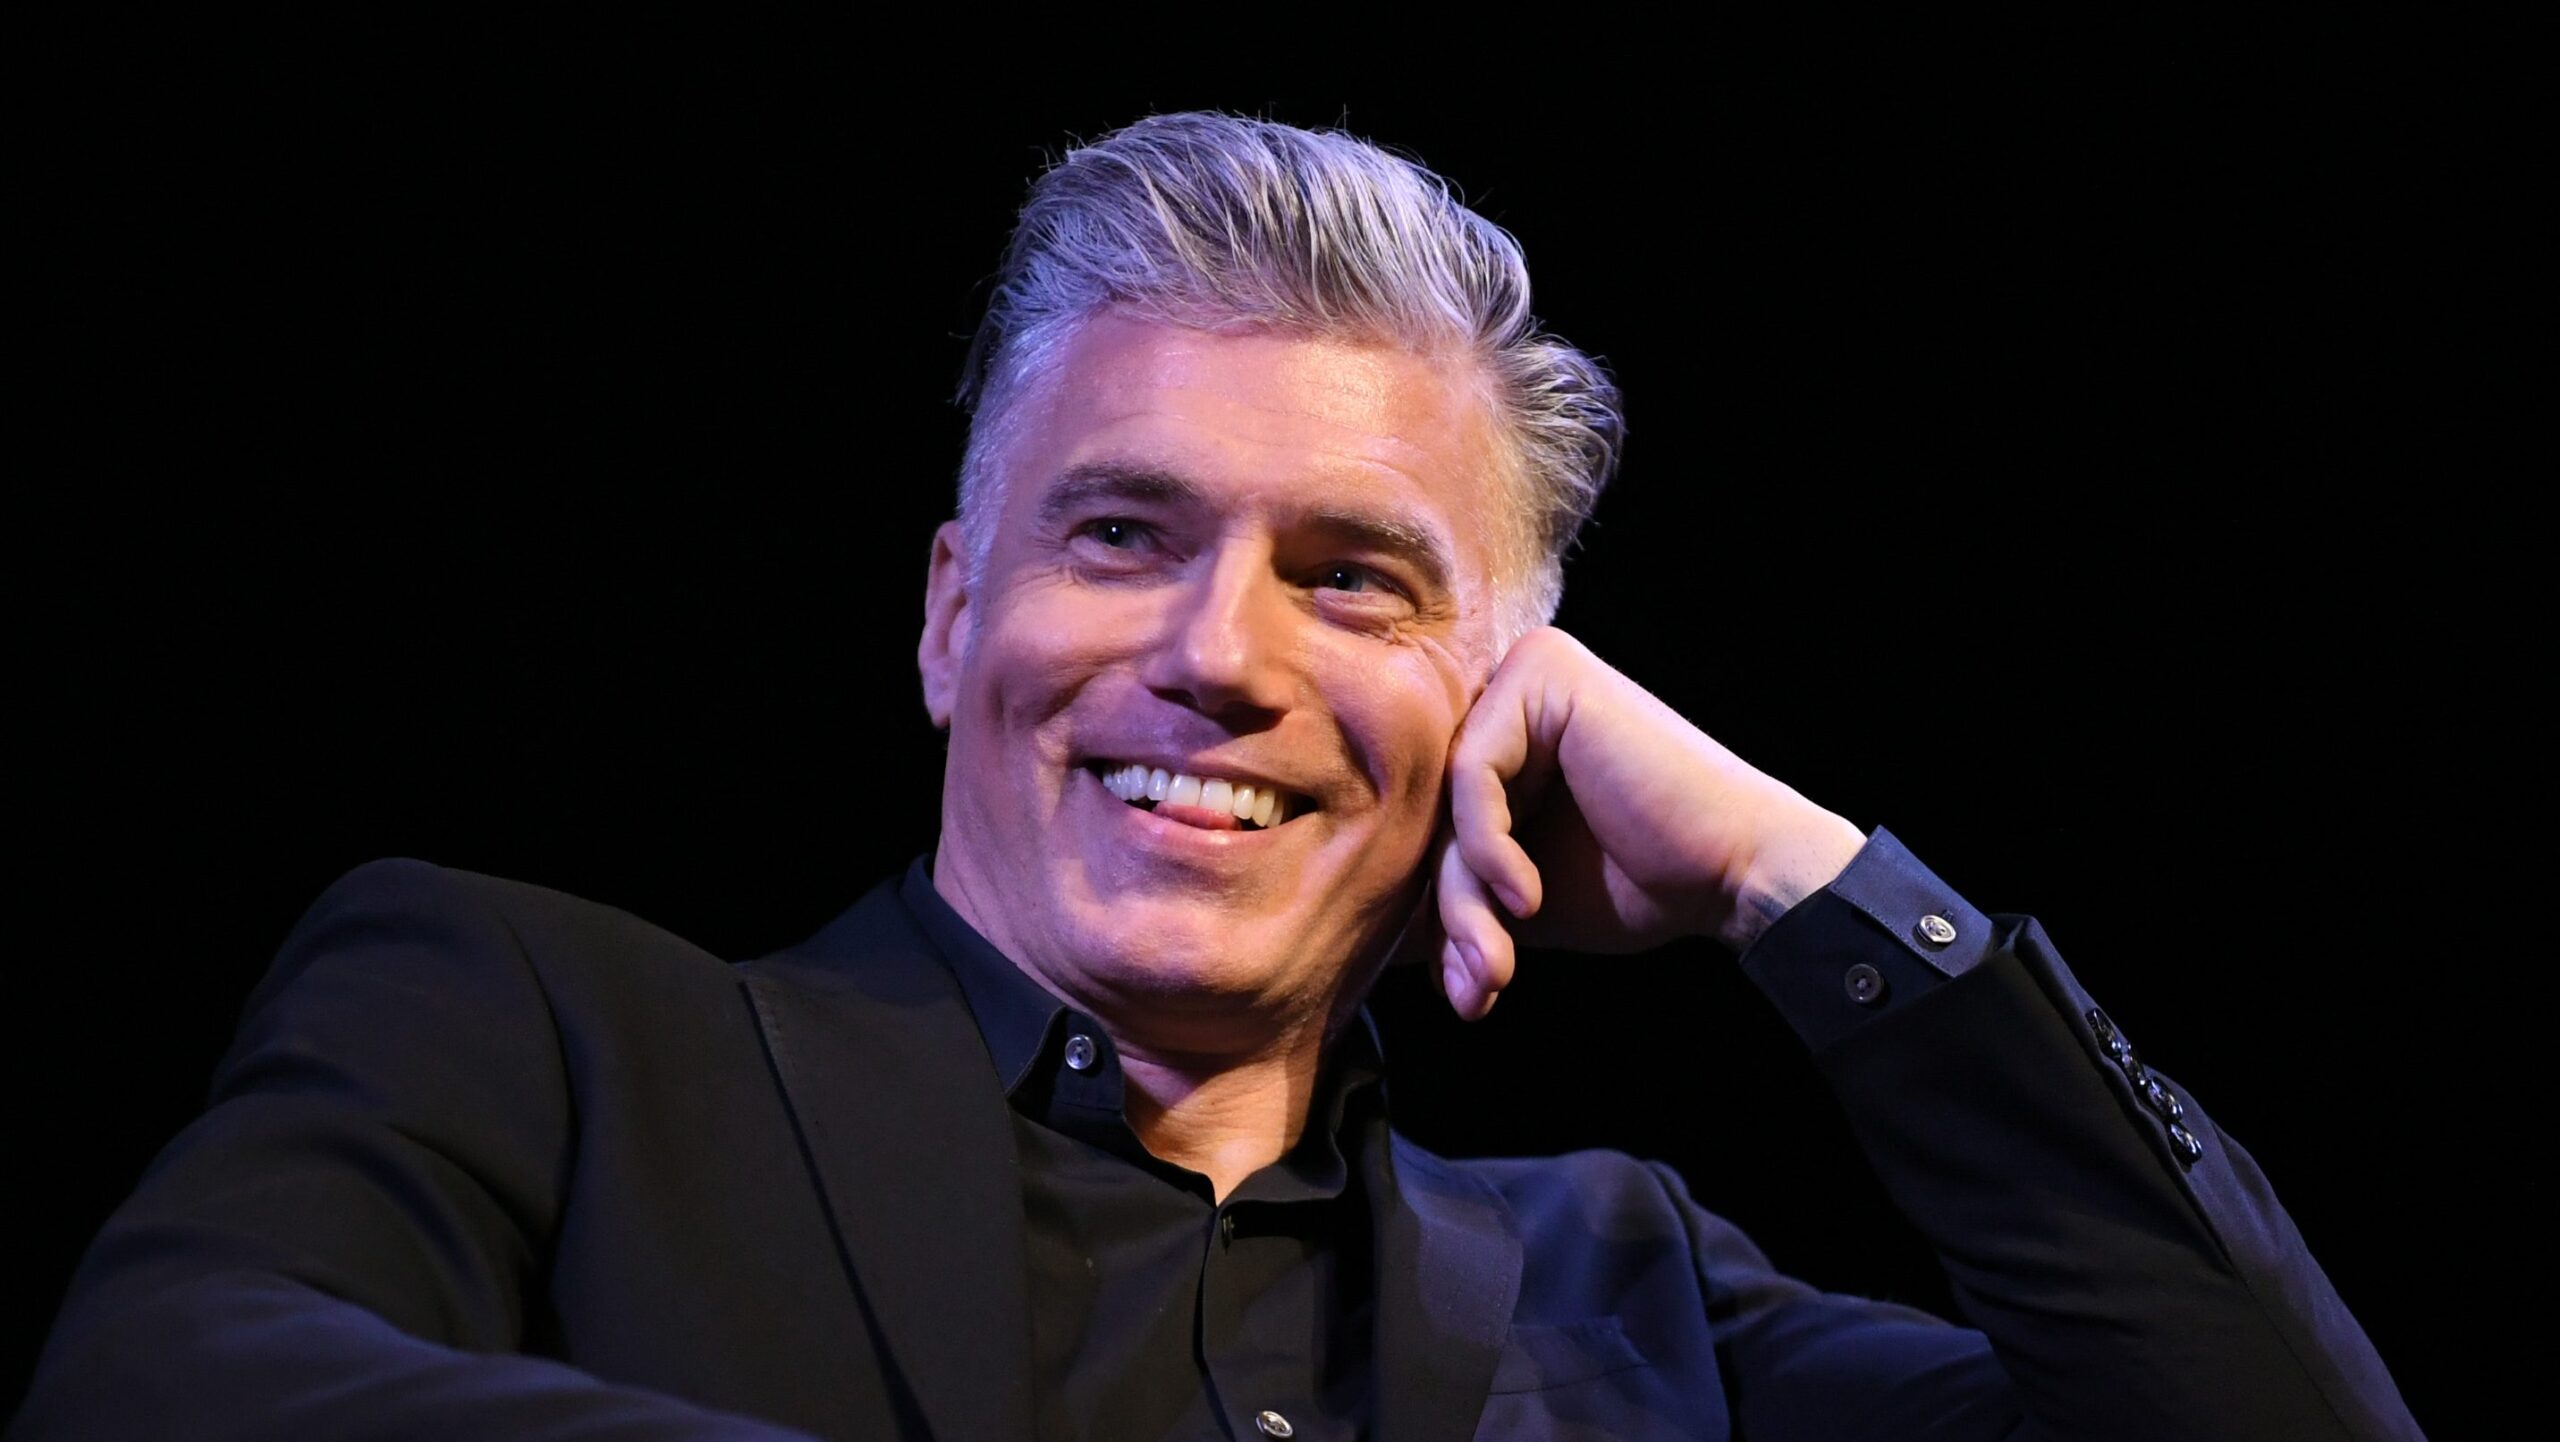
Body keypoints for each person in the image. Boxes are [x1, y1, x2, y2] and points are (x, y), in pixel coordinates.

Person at [11, 112, 2421, 1441]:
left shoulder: (1632, 1296)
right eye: (1121, 535)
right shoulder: (536, 1031)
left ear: (1508, 703)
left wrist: (1797, 877)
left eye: (1351, 579)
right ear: (949, 613)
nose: (1212, 654)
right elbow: (154, 1385)